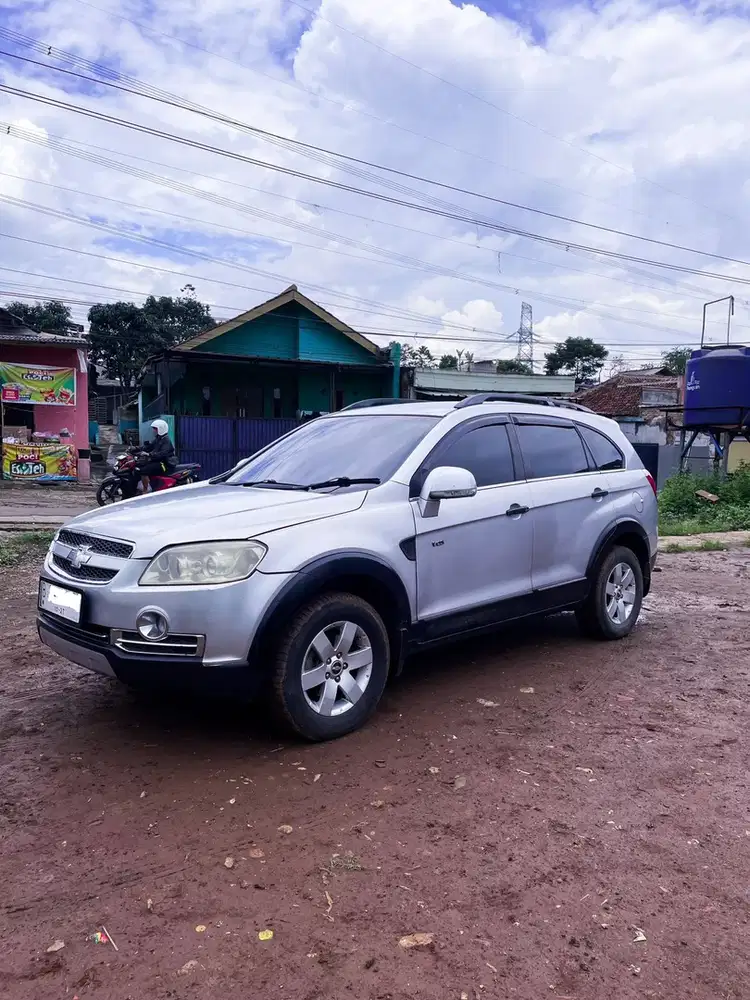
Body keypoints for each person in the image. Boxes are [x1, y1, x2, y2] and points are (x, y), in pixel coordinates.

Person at [138, 419, 177, 493]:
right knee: (139, 465)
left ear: (161, 429)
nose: (154, 431)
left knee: (143, 470)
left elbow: (162, 454)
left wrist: (149, 454)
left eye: (155, 429)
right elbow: (148, 447)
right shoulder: (158, 439)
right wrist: (136, 449)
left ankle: (145, 491)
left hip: (165, 464)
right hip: (158, 461)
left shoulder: (166, 440)